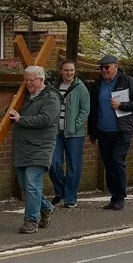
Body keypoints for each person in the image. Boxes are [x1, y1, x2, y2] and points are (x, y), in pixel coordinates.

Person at [88, 55, 133, 210]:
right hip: (103, 131)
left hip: (121, 130)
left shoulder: (126, 81)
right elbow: (93, 110)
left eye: (107, 67)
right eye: (101, 68)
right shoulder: (98, 84)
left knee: (117, 161)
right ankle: (113, 197)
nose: (104, 70)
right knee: (108, 164)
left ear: (116, 66)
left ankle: (120, 197)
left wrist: (121, 105)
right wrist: (92, 132)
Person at [10, 66, 61, 234]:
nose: (28, 83)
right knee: (24, 184)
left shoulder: (51, 97)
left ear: (41, 79)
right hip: (23, 147)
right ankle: (46, 207)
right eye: (26, 79)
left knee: (32, 184)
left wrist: (21, 119)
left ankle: (31, 221)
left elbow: (46, 119)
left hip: (41, 147)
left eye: (31, 80)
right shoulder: (24, 96)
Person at [48, 60, 90, 208]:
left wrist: (75, 125)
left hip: (74, 134)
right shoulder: (54, 88)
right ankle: (61, 191)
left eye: (71, 70)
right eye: (66, 70)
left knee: (74, 166)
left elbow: (85, 110)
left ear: (75, 71)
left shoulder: (81, 88)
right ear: (61, 71)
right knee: (53, 164)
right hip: (56, 132)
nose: (69, 73)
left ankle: (70, 198)